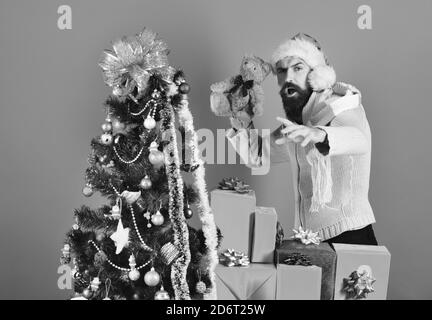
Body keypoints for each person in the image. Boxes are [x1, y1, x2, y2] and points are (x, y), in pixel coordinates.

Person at [225, 33, 378, 245]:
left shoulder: (342, 105)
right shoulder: (298, 124)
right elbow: (259, 156)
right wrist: (241, 118)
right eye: (281, 70)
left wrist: (320, 134)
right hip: (310, 240)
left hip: (351, 237)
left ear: (317, 73)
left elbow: (360, 140)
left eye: (297, 68)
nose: (288, 77)